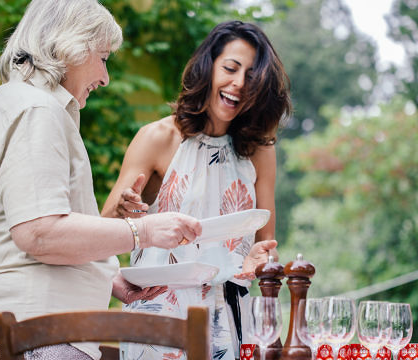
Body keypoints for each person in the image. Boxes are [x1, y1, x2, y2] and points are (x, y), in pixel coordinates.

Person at [0, 1, 201, 359]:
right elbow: (39, 232)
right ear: (70, 46)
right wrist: (144, 232)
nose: (105, 77)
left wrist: (109, 277)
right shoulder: (36, 109)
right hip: (36, 334)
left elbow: (31, 234)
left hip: (37, 332)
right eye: (103, 58)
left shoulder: (27, 104)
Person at [101, 20, 292, 360]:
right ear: (208, 67)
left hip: (230, 320)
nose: (239, 83)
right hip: (158, 318)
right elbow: (101, 233)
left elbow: (268, 245)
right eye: (230, 68)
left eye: (251, 77)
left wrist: (260, 259)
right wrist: (124, 213)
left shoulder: (259, 152)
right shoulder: (157, 138)